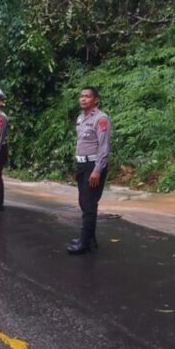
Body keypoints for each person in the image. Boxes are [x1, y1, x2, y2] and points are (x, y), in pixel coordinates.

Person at [67, 86, 111, 255]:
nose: (83, 99)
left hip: (93, 166)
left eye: (87, 96)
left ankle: (84, 243)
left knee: (89, 204)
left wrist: (97, 170)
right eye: (81, 96)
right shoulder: (81, 118)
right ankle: (90, 239)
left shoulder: (101, 119)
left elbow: (104, 147)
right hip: (82, 166)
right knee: (84, 203)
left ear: (95, 100)